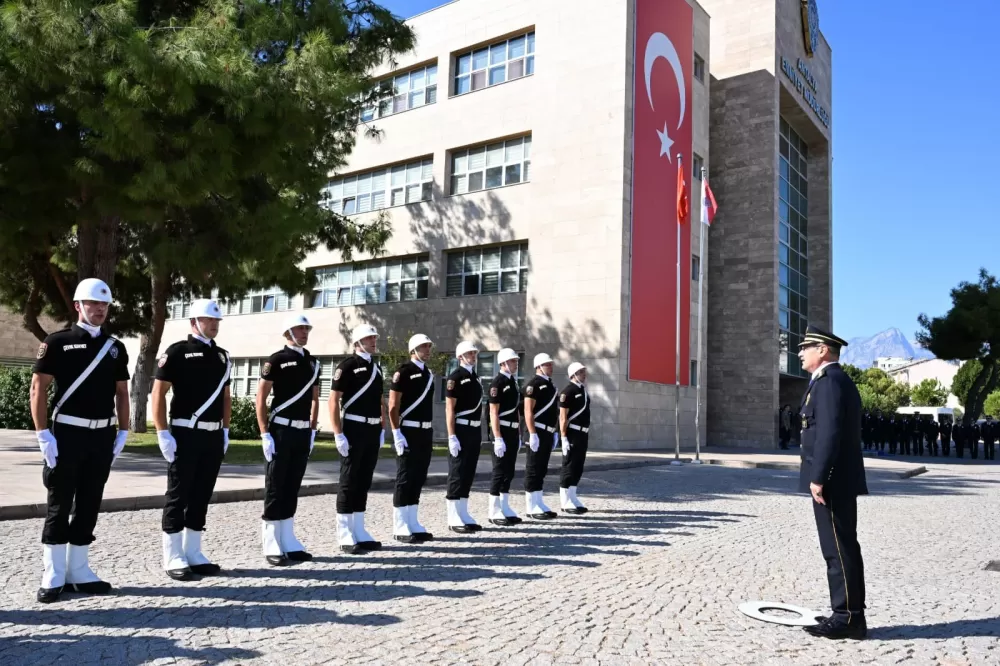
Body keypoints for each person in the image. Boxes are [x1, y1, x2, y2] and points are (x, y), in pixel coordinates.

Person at [31, 278, 130, 603]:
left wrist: (124, 429)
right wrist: (43, 433)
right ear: (78, 306)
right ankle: (53, 573)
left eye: (103, 305)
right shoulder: (57, 342)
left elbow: (121, 392)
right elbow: (38, 388)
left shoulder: (116, 347)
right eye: (92, 304)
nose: (99, 309)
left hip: (102, 434)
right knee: (60, 503)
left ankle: (79, 570)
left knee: (90, 501)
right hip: (68, 433)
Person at [797, 325, 867, 639]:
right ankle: (845, 612)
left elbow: (829, 433)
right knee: (837, 548)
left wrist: (819, 476)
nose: (800, 352)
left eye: (805, 347)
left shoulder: (830, 383)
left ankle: (848, 618)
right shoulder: (828, 381)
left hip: (832, 480)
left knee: (838, 549)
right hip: (833, 478)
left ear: (822, 350)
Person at [153, 298, 231, 581]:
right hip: (185, 433)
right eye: (209, 320)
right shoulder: (177, 352)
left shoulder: (223, 356)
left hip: (212, 434)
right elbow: (158, 394)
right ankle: (172, 555)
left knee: (202, 494)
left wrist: (225, 430)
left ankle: (193, 551)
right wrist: (162, 432)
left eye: (216, 321)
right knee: (178, 494)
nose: (214, 324)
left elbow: (225, 397)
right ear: (194, 322)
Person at [256, 314, 320, 566]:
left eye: (306, 328)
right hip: (280, 430)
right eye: (299, 329)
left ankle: (288, 537)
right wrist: (264, 433)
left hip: (302, 431)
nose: (304, 332)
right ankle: (271, 539)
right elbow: (260, 398)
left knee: (293, 485)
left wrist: (313, 430)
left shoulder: (313, 362)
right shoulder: (277, 360)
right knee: (276, 485)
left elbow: (315, 399)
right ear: (287, 333)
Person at [329, 324, 387, 554]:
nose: (373, 340)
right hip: (353, 427)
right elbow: (333, 401)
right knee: (349, 480)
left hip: (372, 429)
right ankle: (344, 533)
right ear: (357, 342)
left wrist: (382, 427)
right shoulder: (347, 366)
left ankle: (359, 530)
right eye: (368, 338)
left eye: (374, 337)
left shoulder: (377, 368)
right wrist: (337, 433)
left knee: (364, 480)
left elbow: (379, 400)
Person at [388, 334, 437, 543]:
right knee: (405, 477)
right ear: (413, 350)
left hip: (425, 431)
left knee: (418, 477)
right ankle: (400, 525)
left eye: (428, 346)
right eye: (423, 347)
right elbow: (393, 406)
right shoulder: (403, 372)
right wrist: (396, 432)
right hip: (408, 430)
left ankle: (412, 521)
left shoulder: (429, 374)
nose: (427, 350)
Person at [444, 341, 484, 533]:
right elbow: (449, 408)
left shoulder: (475, 377)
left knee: (468, 472)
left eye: (474, 353)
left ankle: (463, 512)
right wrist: (452, 436)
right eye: (469, 353)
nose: (473, 356)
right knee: (457, 472)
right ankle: (453, 517)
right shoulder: (456, 377)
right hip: (461, 428)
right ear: (460, 357)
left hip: (474, 430)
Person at [486, 348, 523, 526]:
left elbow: (516, 410)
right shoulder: (497, 383)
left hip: (513, 431)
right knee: (499, 471)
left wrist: (519, 433)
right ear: (503, 363)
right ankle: (493, 510)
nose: (516, 363)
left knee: (509, 471)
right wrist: (497, 437)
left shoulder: (514, 382)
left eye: (516, 361)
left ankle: (504, 507)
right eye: (512, 361)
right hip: (501, 431)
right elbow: (494, 413)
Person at [523, 353, 559, 520]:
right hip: (536, 430)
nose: (550, 367)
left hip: (548, 431)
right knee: (533, 468)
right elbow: (528, 411)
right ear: (538, 367)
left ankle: (538, 501)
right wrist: (532, 433)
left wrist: (555, 431)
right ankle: (531, 506)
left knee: (542, 468)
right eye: (547, 365)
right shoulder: (533, 385)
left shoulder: (550, 385)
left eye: (550, 364)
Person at [558, 362, 591, 515]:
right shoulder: (568, 391)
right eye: (581, 372)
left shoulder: (582, 390)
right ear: (573, 375)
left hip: (583, 434)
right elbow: (563, 417)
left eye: (584, 371)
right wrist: (563, 438)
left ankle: (573, 496)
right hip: (572, 433)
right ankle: (565, 501)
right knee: (569, 466)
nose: (584, 374)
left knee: (578, 466)